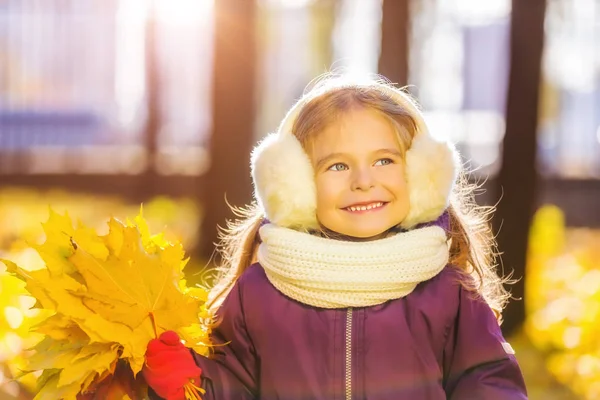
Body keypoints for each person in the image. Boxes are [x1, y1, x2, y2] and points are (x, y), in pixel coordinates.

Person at [143, 74, 528, 400]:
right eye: (338, 165)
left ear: (421, 173)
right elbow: (234, 386)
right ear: (296, 186)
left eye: (384, 160)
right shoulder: (258, 293)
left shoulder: (448, 290)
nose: (363, 181)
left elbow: (488, 381)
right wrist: (190, 381)